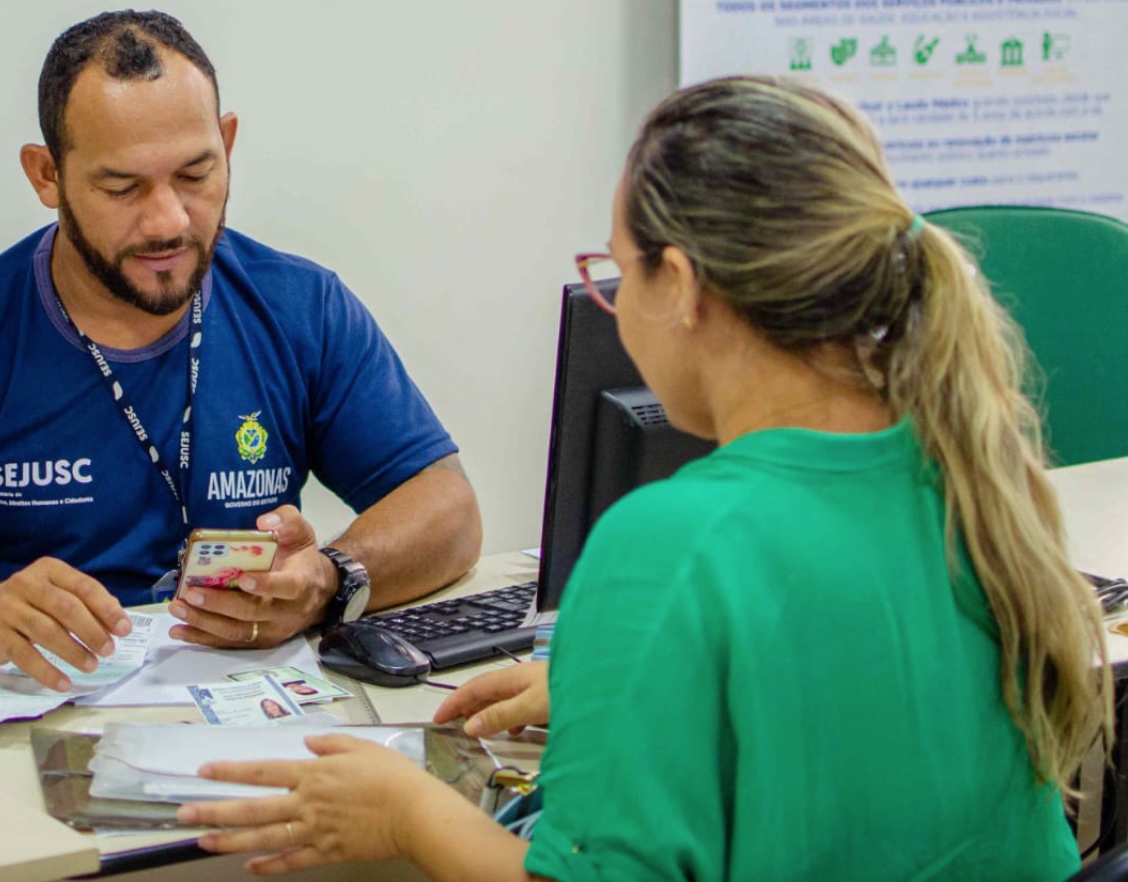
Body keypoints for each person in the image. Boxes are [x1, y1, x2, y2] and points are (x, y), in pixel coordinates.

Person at [173, 76, 1111, 881]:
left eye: (615, 273)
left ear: (683, 286)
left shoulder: (666, 549)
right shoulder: (973, 482)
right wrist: (624, 686)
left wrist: (406, 813)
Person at [0, 10, 480, 693]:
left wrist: (330, 577)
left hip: (248, 715)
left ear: (227, 145)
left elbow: (447, 508)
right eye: (122, 187)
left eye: (195, 175)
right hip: (31, 713)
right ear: (47, 175)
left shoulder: (303, 308)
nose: (168, 221)